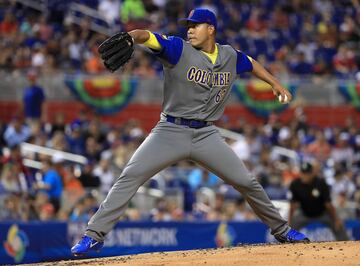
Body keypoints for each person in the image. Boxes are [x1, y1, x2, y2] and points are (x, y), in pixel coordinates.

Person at [71, 8, 309, 256]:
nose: (190, 30)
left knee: (246, 182)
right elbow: (147, 36)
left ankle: (281, 230)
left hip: (206, 134)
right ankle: (93, 235)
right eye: (189, 26)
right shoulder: (177, 49)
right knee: (130, 176)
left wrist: (275, 83)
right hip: (170, 130)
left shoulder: (228, 55)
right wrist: (131, 37)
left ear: (211, 29)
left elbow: (249, 63)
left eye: (196, 25)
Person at [288, 162, 349, 241]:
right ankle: (287, 245)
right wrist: (289, 221)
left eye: (307, 173)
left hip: (322, 213)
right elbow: (293, 205)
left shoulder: (321, 183)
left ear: (312, 174)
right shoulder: (295, 184)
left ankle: (346, 243)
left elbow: (328, 204)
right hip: (304, 213)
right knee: (289, 229)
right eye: (303, 173)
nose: (304, 176)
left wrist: (336, 219)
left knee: (338, 225)